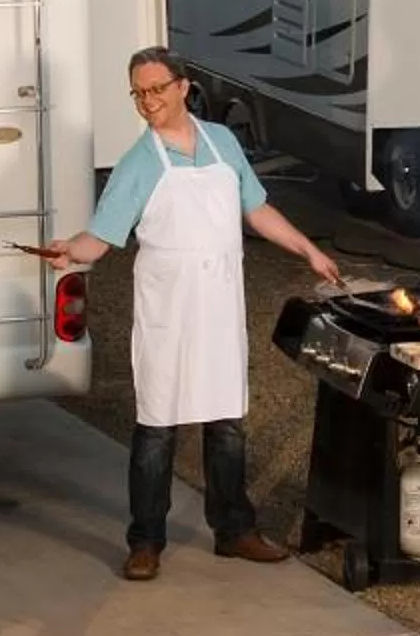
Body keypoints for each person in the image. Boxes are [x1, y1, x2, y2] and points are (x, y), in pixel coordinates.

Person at [38, 47, 340, 580]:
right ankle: (145, 540)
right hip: (168, 313)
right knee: (157, 428)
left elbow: (256, 208)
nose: (147, 102)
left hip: (220, 307)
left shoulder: (222, 144)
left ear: (183, 86)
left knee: (227, 423)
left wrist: (308, 250)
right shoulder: (138, 163)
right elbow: (102, 238)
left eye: (156, 89)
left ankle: (235, 530)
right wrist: (71, 251)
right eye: (138, 93)